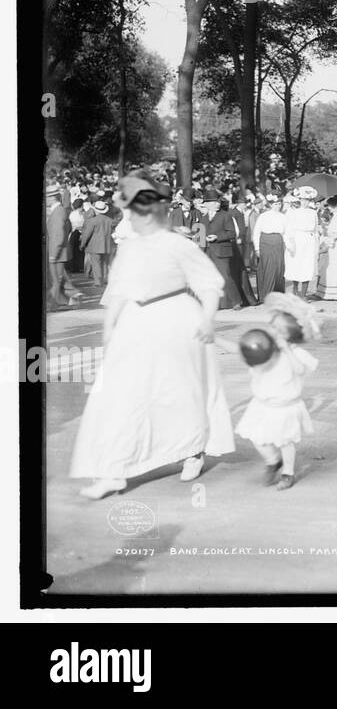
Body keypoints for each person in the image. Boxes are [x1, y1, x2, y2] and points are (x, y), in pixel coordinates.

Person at [69, 172, 235, 499]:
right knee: (120, 395)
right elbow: (117, 290)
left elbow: (209, 283)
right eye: (132, 213)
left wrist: (206, 320)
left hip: (177, 320)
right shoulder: (129, 249)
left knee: (178, 391)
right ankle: (113, 470)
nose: (135, 219)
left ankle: (193, 450)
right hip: (135, 324)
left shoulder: (177, 244)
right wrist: (108, 327)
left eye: (140, 213)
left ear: (154, 214)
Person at [220, 292, 320, 490]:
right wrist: (214, 338)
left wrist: (288, 351)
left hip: (286, 407)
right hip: (262, 405)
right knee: (256, 437)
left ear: (288, 335)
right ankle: (273, 460)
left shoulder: (296, 354)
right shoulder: (264, 349)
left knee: (286, 442)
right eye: (271, 327)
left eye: (276, 329)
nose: (270, 331)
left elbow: (300, 370)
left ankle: (288, 473)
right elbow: (239, 350)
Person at [205, 196, 252, 309]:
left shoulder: (225, 215)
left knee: (226, 276)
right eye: (214, 201)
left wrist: (217, 236)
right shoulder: (202, 217)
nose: (217, 204)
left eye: (218, 202)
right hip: (207, 251)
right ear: (207, 204)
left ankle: (236, 301)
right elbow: (200, 234)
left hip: (222, 250)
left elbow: (232, 233)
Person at [283, 187, 321, 298]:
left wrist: (316, 244)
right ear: (299, 200)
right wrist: (290, 243)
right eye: (303, 200)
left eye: (307, 200)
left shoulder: (313, 213)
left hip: (309, 240)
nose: (305, 202)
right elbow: (288, 230)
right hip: (297, 239)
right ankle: (295, 288)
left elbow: (316, 230)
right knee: (296, 265)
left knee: (307, 266)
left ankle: (303, 294)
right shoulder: (293, 213)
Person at [47, 184, 78, 306]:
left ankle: (53, 304)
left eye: (47, 197)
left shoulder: (58, 211)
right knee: (57, 279)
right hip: (58, 251)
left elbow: (58, 236)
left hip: (57, 252)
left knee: (56, 280)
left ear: (52, 198)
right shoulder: (59, 210)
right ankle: (69, 299)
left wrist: (53, 254)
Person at [253, 195, 286, 300]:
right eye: (276, 204)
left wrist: (288, 246)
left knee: (279, 268)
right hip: (265, 241)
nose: (278, 206)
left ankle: (278, 294)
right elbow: (256, 232)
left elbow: (287, 232)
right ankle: (266, 295)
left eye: (279, 204)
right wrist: (257, 248)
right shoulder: (263, 216)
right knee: (268, 267)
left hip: (278, 241)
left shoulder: (283, 216)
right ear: (271, 204)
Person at [80, 199, 113, 288]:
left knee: (96, 264)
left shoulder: (93, 221)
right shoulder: (110, 220)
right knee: (105, 264)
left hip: (95, 246)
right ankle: (106, 280)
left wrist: (82, 244)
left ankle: (98, 282)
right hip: (107, 245)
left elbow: (87, 235)